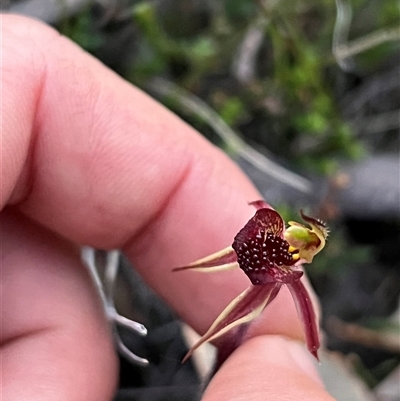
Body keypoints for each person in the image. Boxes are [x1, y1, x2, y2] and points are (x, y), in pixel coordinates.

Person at [1, 14, 335, 401]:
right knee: (227, 319)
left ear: (305, 255)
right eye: (296, 232)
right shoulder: (272, 239)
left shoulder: (286, 275)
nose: (295, 239)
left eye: (304, 244)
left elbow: (302, 315)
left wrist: (309, 345)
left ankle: (211, 345)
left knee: (230, 329)